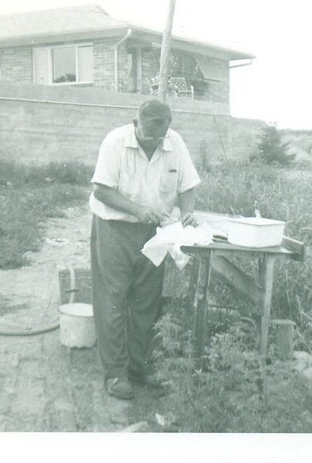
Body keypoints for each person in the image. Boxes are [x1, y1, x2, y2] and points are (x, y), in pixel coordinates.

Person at [89, 99, 201, 400]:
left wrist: (187, 211)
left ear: (168, 128)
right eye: (148, 135)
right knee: (113, 299)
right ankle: (115, 374)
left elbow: (187, 185)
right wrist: (138, 210)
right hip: (115, 228)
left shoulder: (174, 142)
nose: (154, 141)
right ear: (135, 122)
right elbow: (101, 190)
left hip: (155, 233)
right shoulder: (115, 142)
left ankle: (140, 367)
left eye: (160, 136)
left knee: (146, 300)